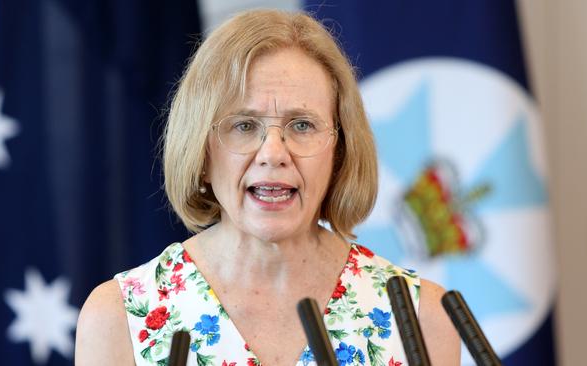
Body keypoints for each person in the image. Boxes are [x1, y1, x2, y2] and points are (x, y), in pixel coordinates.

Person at [76, 9, 460, 366]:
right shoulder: (119, 317)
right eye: (244, 125)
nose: (273, 153)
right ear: (202, 152)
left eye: (302, 125)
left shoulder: (423, 316)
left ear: (340, 151)